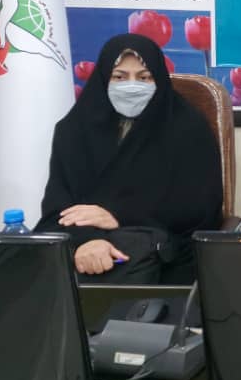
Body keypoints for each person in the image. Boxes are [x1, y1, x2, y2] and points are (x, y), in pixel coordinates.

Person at [36, 33, 223, 283]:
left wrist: (118, 215)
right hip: (82, 253)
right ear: (103, 78)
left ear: (159, 80)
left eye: (144, 77)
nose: (132, 86)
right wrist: (87, 242)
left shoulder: (187, 129)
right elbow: (58, 209)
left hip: (166, 260)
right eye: (119, 77)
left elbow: (200, 209)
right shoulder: (73, 130)